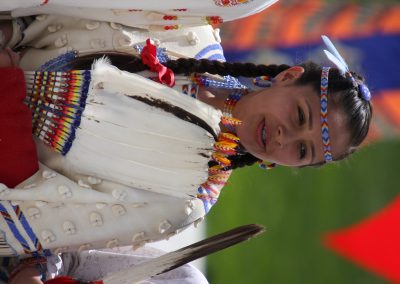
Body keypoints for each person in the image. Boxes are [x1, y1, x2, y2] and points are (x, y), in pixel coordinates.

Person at [0, 16, 372, 284]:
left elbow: (48, 217)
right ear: (287, 78)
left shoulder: (187, 199)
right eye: (298, 114)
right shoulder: (186, 30)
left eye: (303, 150)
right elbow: (57, 18)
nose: (283, 137)